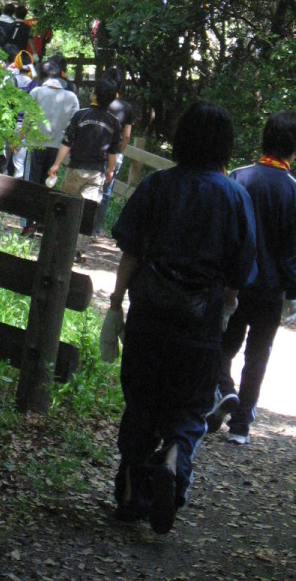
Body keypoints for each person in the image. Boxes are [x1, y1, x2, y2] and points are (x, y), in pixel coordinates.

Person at [103, 100, 257, 533]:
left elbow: (130, 252)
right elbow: (240, 274)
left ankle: (130, 490)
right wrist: (224, 312)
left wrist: (115, 303)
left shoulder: (156, 185)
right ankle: (174, 457)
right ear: (225, 146)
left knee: (141, 400)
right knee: (190, 407)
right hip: (199, 321)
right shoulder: (235, 197)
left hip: (149, 313)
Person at [207, 111, 296, 444]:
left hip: (233, 284)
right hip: (271, 291)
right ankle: (240, 426)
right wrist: (294, 292)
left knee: (223, 345)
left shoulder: (239, 176)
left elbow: (224, 231)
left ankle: (222, 392)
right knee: (257, 357)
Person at [47, 77, 122, 259]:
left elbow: (67, 141)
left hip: (75, 169)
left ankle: (59, 242)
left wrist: (57, 164)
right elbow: (113, 151)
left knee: (65, 206)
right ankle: (76, 250)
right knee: (87, 213)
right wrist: (111, 169)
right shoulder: (114, 123)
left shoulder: (80, 115)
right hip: (96, 173)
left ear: (94, 95)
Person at [21, 59, 80, 236]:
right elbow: (74, 126)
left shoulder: (36, 92)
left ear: (43, 76)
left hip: (35, 144)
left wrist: (18, 139)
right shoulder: (71, 97)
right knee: (49, 185)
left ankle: (28, 224)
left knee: (32, 183)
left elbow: (27, 119)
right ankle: (42, 222)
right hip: (58, 148)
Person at [93, 64, 133, 239]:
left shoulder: (100, 102)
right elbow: (127, 136)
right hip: (114, 154)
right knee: (105, 193)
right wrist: (118, 151)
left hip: (95, 150)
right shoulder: (126, 107)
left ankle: (81, 225)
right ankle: (95, 230)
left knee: (89, 186)